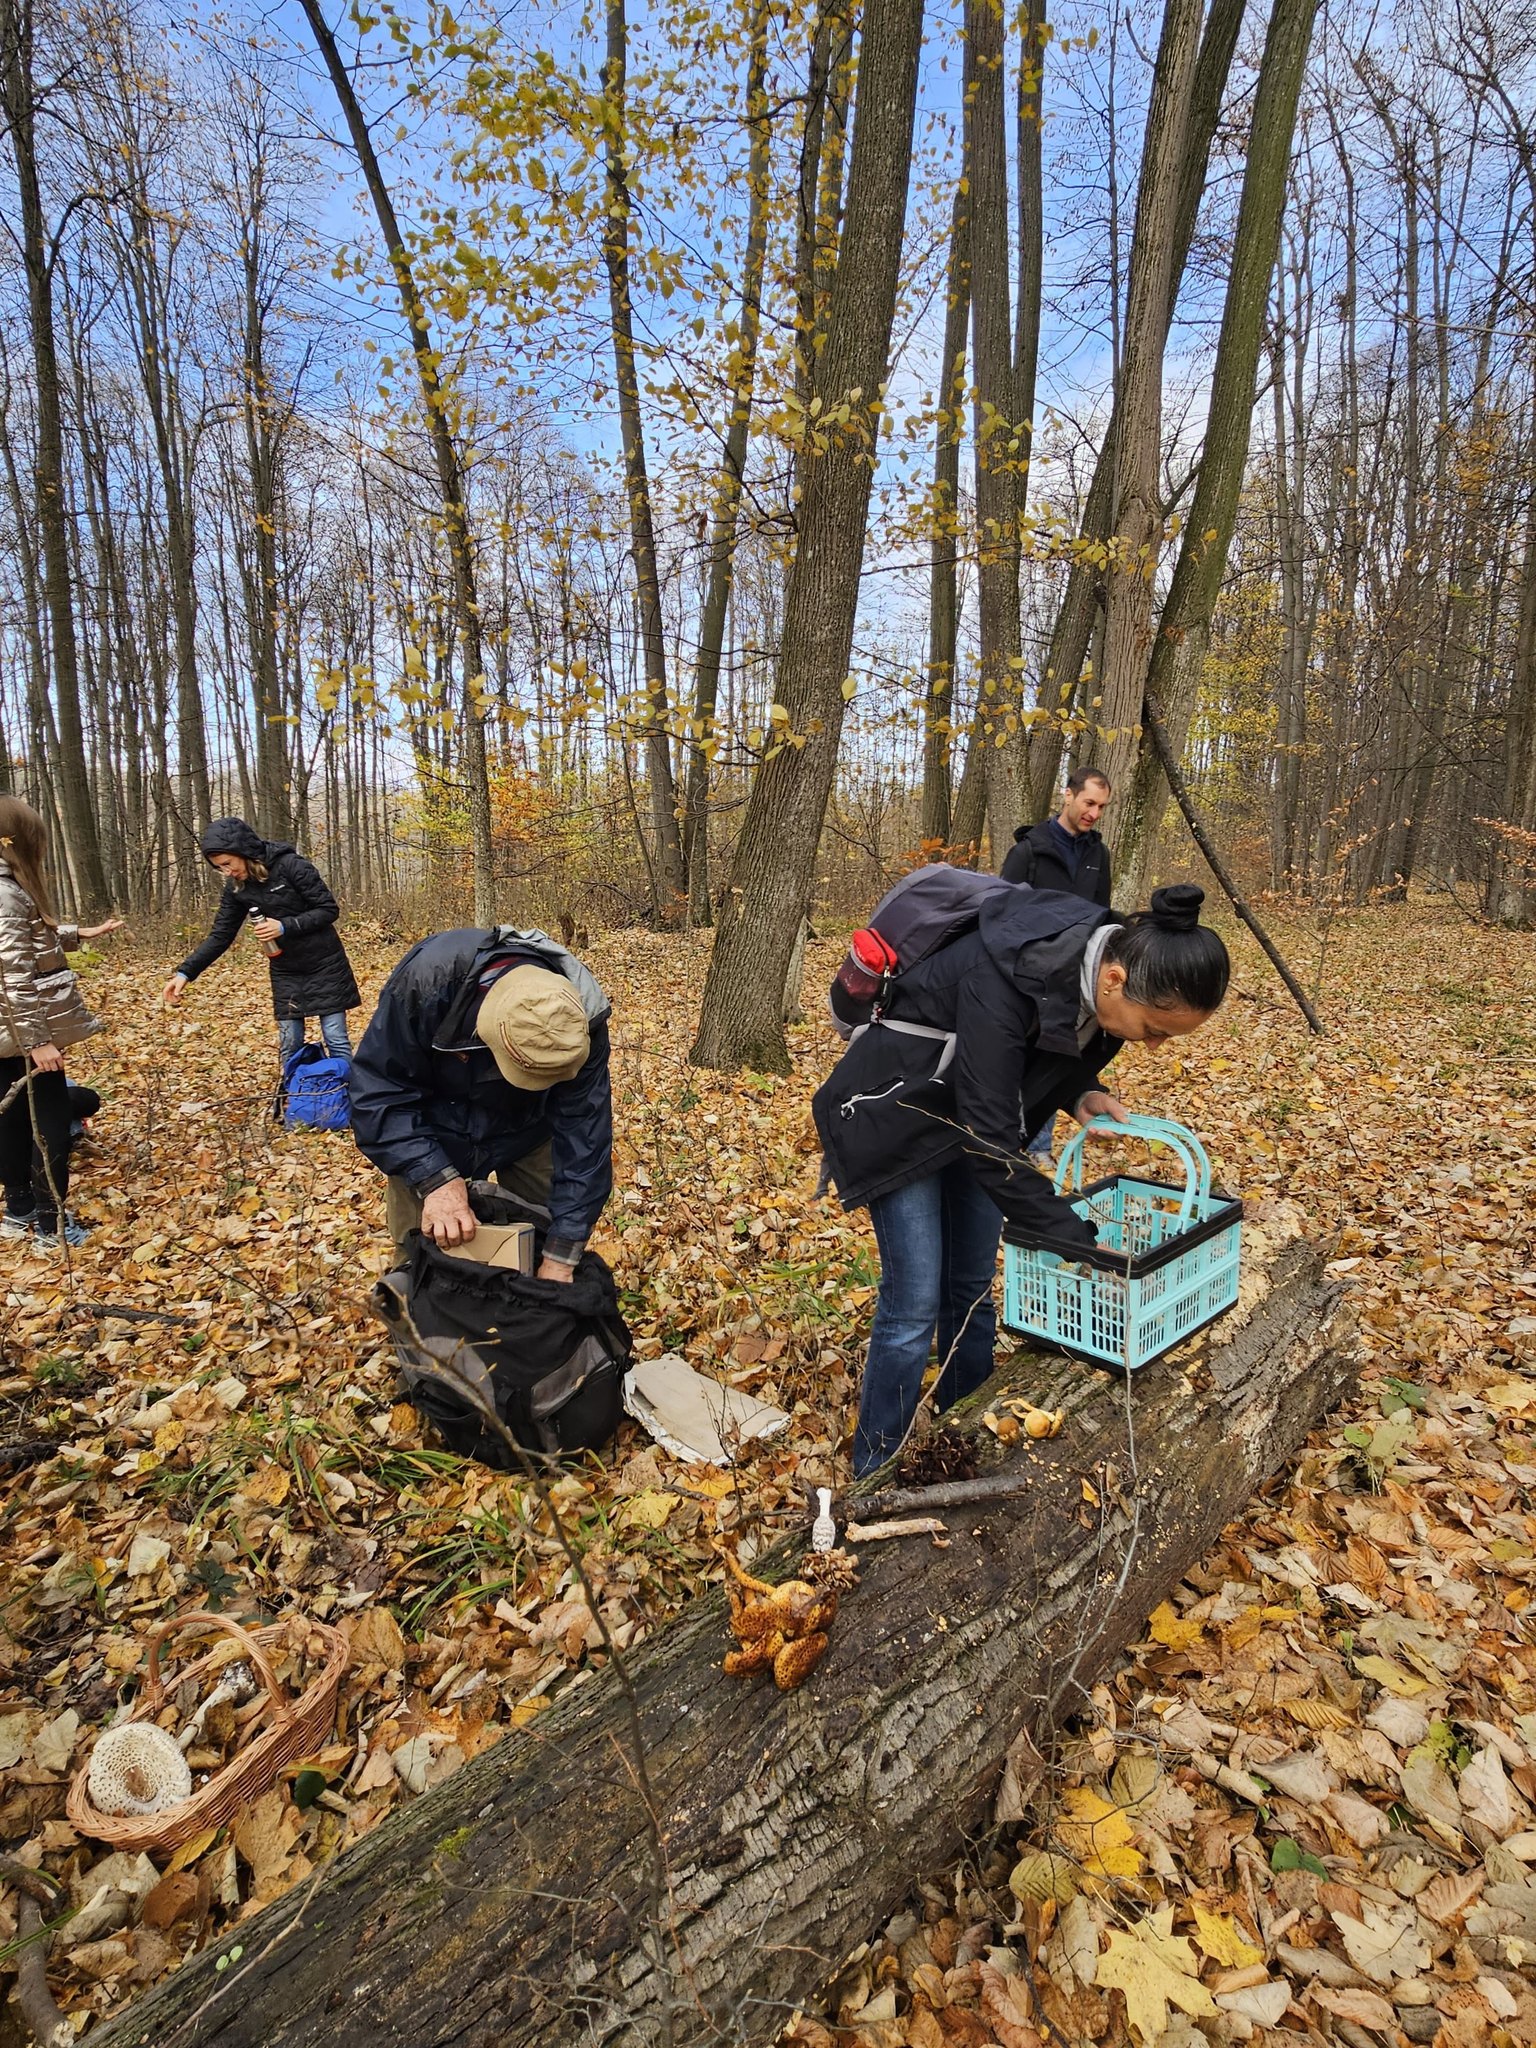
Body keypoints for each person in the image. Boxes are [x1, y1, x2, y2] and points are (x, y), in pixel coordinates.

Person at [813, 882, 1229, 1477]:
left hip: (970, 1114)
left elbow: (1049, 1050)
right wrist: (1076, 1237)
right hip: (897, 1118)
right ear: (1113, 980)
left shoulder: (1099, 970)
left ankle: (966, 1432)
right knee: (913, 1304)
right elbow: (991, 1143)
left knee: (973, 1287)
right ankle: (876, 1466)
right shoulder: (1001, 975)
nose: (1156, 1044)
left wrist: (1079, 1092)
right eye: (1154, 1028)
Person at [350, 925, 613, 1282]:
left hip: (529, 1126)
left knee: (546, 1239)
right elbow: (379, 1091)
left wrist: (561, 1257)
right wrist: (434, 1179)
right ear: (482, 1033)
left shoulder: (578, 1019)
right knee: (420, 1252)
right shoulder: (430, 982)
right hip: (432, 1127)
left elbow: (585, 1138)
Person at [0, 795, 122, 1246]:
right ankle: (51, 1224)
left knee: (10, 1116)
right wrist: (36, 1041)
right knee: (46, 1123)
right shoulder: (7, 893)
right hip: (21, 1031)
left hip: (9, 1031)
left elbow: (28, 939)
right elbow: (14, 974)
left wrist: (75, 933)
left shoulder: (7, 891)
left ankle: (19, 1210)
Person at [162, 819, 360, 1071]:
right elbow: (220, 935)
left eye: (227, 864)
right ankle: (292, 1098)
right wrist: (185, 973)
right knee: (290, 1042)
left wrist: (284, 926)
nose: (227, 872)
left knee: (335, 1038)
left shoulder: (291, 865)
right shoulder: (237, 888)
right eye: (219, 868)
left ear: (243, 852)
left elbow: (328, 910)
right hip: (286, 969)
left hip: (325, 963)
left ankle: (348, 1098)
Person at [1001, 766, 1114, 1165]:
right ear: (1068, 795)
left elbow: (1102, 914)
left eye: (1101, 807)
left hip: (1074, 977)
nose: (1094, 813)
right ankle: (1008, 1138)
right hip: (1027, 975)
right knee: (1017, 1057)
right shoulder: (1029, 851)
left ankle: (1038, 1147)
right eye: (1089, 803)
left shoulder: (1097, 854)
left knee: (1058, 1053)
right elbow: (1001, 912)